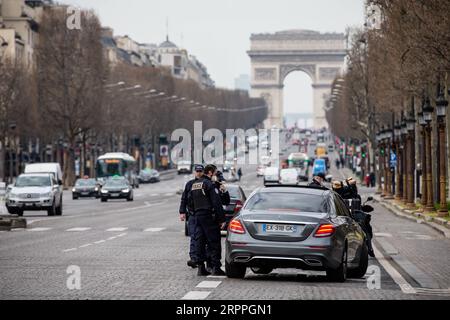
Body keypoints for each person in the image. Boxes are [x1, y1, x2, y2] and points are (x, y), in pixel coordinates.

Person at [190, 164, 226, 276]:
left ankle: (201, 268)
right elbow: (216, 202)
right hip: (209, 216)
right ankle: (216, 268)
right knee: (214, 241)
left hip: (197, 216)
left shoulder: (195, 184)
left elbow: (190, 202)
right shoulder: (210, 184)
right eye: (214, 173)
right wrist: (222, 219)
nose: (215, 175)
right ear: (210, 172)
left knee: (200, 241)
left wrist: (194, 213)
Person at [179, 164, 205, 269]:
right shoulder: (189, 184)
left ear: (203, 172)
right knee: (193, 236)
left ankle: (201, 258)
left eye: (200, 171)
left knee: (202, 238)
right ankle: (194, 258)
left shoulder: (206, 183)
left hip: (203, 215)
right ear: (195, 172)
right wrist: (182, 212)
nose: (198, 173)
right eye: (197, 171)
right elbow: (184, 199)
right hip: (192, 215)